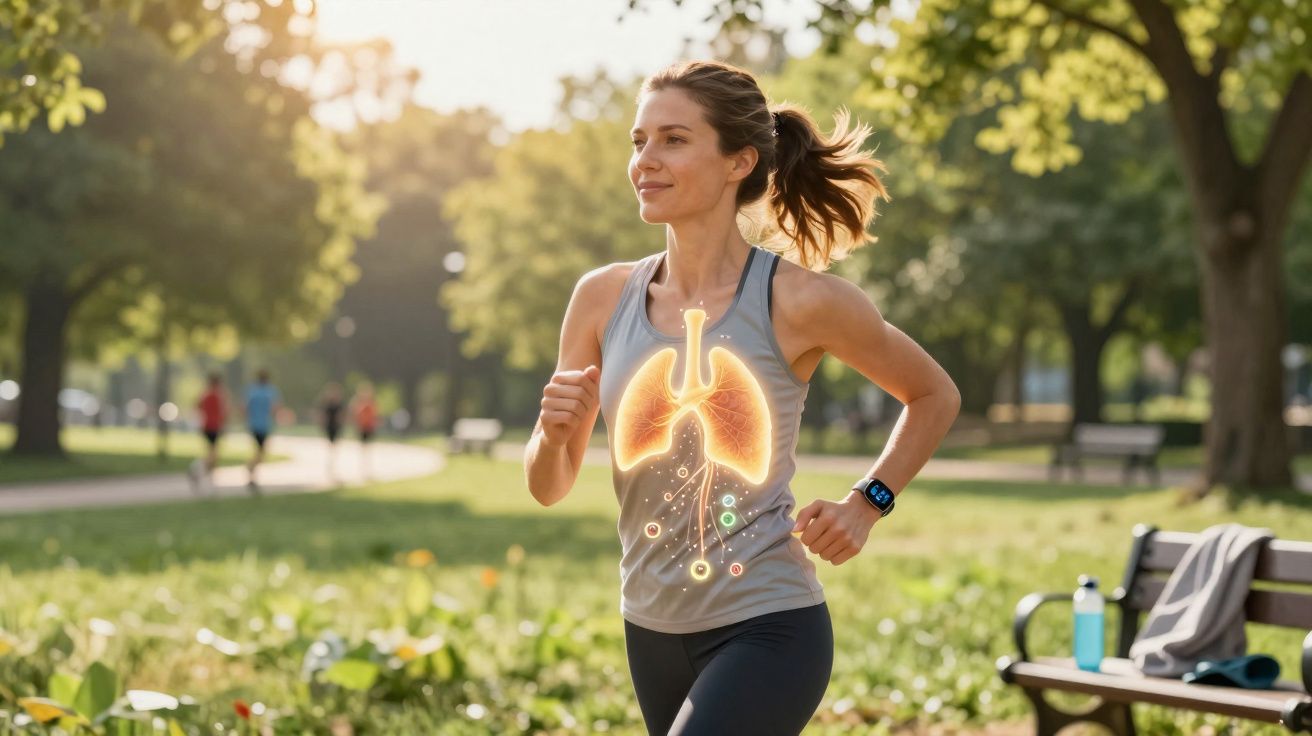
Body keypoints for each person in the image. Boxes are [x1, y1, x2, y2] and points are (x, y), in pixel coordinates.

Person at [524, 60, 961, 736]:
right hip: (649, 624)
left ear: (739, 162)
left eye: (673, 139)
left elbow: (933, 393)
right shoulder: (601, 299)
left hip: (769, 624)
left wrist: (868, 502)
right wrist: (555, 436)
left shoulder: (800, 300)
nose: (645, 160)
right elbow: (548, 487)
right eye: (639, 142)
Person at [243, 368, 281, 494]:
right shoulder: (270, 392)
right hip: (264, 425)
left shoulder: (252, 391)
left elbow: (246, 408)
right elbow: (275, 408)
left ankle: (252, 475)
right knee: (261, 453)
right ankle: (251, 469)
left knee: (259, 452)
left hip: (254, 425)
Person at [188, 372, 227, 493]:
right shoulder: (217, 395)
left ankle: (208, 477)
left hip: (206, 426)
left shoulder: (205, 394)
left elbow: (197, 406)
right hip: (214, 426)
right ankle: (197, 470)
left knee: (212, 453)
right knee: (213, 454)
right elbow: (223, 412)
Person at [350, 382, 378, 479]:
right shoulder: (358, 404)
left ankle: (367, 467)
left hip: (368, 428)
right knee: (363, 447)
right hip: (362, 428)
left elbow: (374, 416)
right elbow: (356, 416)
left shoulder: (370, 404)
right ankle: (363, 467)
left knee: (367, 448)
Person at [319, 382, 345, 483]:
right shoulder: (327, 404)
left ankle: (332, 465)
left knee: (334, 447)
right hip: (329, 427)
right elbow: (323, 416)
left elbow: (341, 416)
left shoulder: (339, 404)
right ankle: (330, 465)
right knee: (331, 446)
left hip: (336, 428)